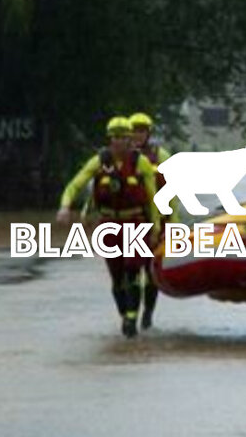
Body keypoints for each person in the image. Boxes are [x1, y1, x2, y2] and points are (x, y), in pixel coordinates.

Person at [57, 116, 161, 337]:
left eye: (125, 137)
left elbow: (153, 199)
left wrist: (155, 228)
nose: (121, 142)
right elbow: (75, 185)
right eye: (116, 138)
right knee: (116, 276)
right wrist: (65, 207)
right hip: (109, 225)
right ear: (110, 139)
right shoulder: (100, 161)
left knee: (133, 269)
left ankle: (133, 318)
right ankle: (125, 314)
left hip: (135, 223)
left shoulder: (140, 162)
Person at [130, 112, 172, 330]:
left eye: (141, 131)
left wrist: (172, 225)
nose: (137, 135)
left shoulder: (161, 155)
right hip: (131, 220)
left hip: (157, 221)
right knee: (130, 271)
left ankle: (147, 315)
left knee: (150, 271)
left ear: (148, 133)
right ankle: (131, 315)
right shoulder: (120, 157)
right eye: (134, 131)